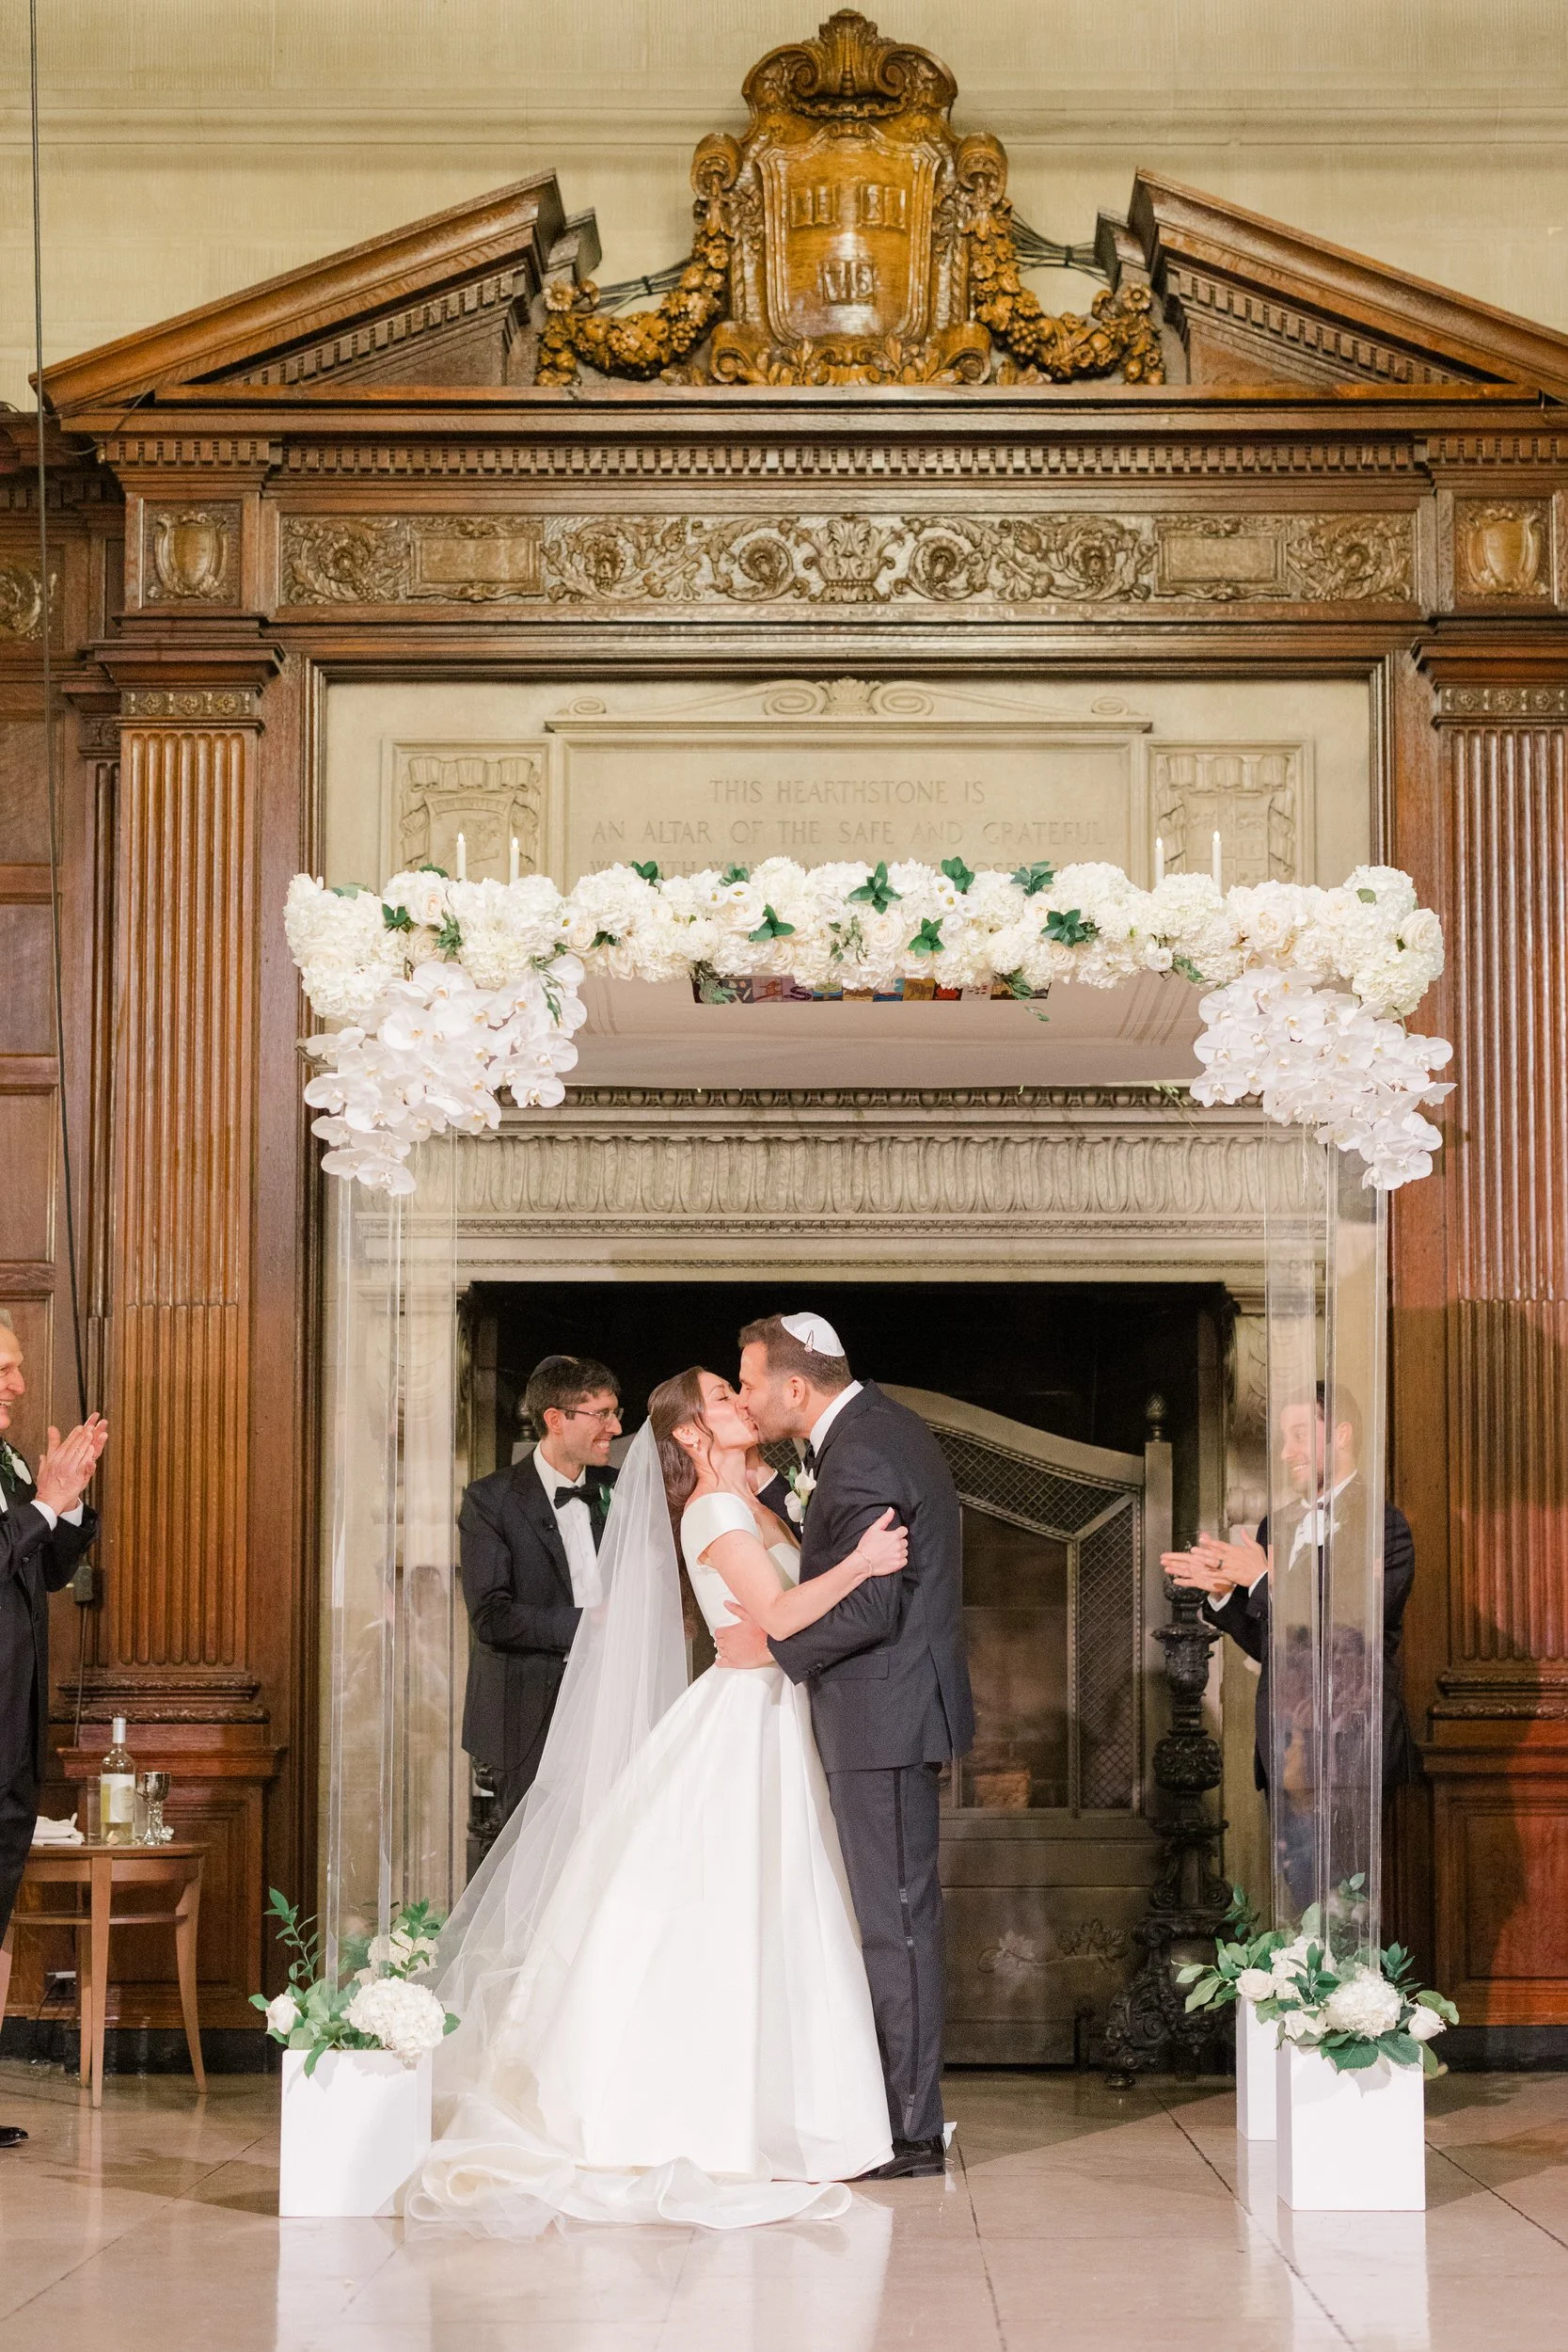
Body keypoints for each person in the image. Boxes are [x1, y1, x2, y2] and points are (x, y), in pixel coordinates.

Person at [412, 1365, 909, 2231]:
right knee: (732, 1906)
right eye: (721, 1398)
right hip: (743, 1717)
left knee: (782, 1905)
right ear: (687, 1433)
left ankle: (798, 2111)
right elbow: (779, 1616)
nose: (740, 1403)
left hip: (776, 1711)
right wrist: (863, 1564)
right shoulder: (711, 1512)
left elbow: (775, 1619)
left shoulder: (752, 1501)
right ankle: (699, 2110)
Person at [718, 1312, 975, 2182]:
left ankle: (911, 2131)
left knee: (894, 1923)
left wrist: (771, 1647)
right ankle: (895, 2112)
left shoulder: (863, 1450)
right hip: (881, 1712)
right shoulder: (874, 1429)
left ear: (795, 1387)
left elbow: (872, 1605)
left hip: (882, 1716)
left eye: (748, 1383)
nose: (744, 1399)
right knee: (888, 1917)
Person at [1161, 1381, 1415, 1899]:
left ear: (1341, 1435)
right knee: (1301, 1907)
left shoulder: (1384, 1527)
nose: (1286, 1452)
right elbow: (1275, 1645)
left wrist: (1263, 1580)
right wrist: (1224, 1596)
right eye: (1284, 1438)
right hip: (1285, 1750)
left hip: (1349, 1757)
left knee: (1348, 1910)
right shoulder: (1275, 1527)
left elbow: (1352, 1625)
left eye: (1300, 1434)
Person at [0, 1311, 106, 2151]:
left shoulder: (7, 1463)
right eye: (4, 1368)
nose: (20, 1383)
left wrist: (62, 1509)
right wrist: (42, 1502)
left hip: (12, 1732)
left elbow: (44, 1569)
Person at [458, 1357, 622, 1835]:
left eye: (615, 1413)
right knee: (530, 1853)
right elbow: (491, 1616)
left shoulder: (622, 1489)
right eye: (602, 1414)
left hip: (611, 1701)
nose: (614, 1427)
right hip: (525, 1713)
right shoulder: (490, 1500)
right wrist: (588, 1621)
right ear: (555, 1419)